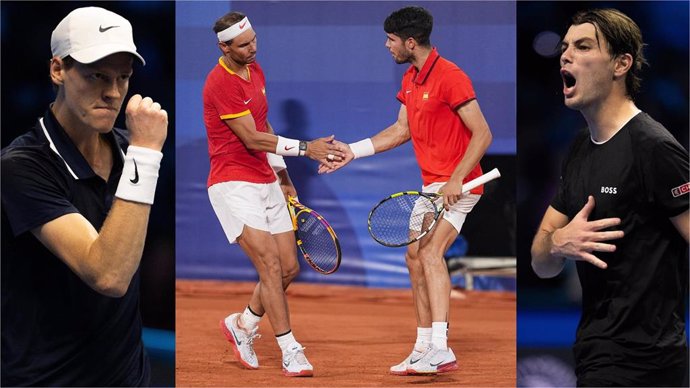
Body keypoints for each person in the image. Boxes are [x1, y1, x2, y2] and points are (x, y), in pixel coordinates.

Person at [321, 6, 493, 375]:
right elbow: (401, 130)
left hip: (461, 185)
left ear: (410, 42)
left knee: (430, 253)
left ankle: (442, 349)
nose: (387, 46)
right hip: (431, 187)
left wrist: (457, 178)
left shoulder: (451, 76)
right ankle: (422, 346)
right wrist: (353, 151)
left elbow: (483, 133)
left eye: (391, 40)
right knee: (413, 259)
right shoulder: (411, 79)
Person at [1, 7, 167, 386]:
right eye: (96, 76)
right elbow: (108, 275)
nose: (113, 93)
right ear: (57, 70)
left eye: (123, 78)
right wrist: (145, 154)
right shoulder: (20, 166)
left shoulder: (135, 151)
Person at [530, 8, 689, 387]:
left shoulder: (654, 147)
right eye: (566, 47)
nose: (566, 55)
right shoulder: (580, 148)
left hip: (648, 364)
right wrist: (558, 242)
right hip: (593, 354)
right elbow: (540, 262)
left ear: (621, 64)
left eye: (583, 46)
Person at [203, 11, 344, 377]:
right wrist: (306, 149)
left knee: (287, 268)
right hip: (232, 184)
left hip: (265, 178)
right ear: (224, 46)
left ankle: (243, 325)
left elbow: (263, 124)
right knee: (269, 265)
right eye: (243, 45)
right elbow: (249, 137)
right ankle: (289, 349)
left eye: (254, 40)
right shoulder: (220, 83)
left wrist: (282, 174)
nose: (252, 48)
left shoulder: (256, 70)